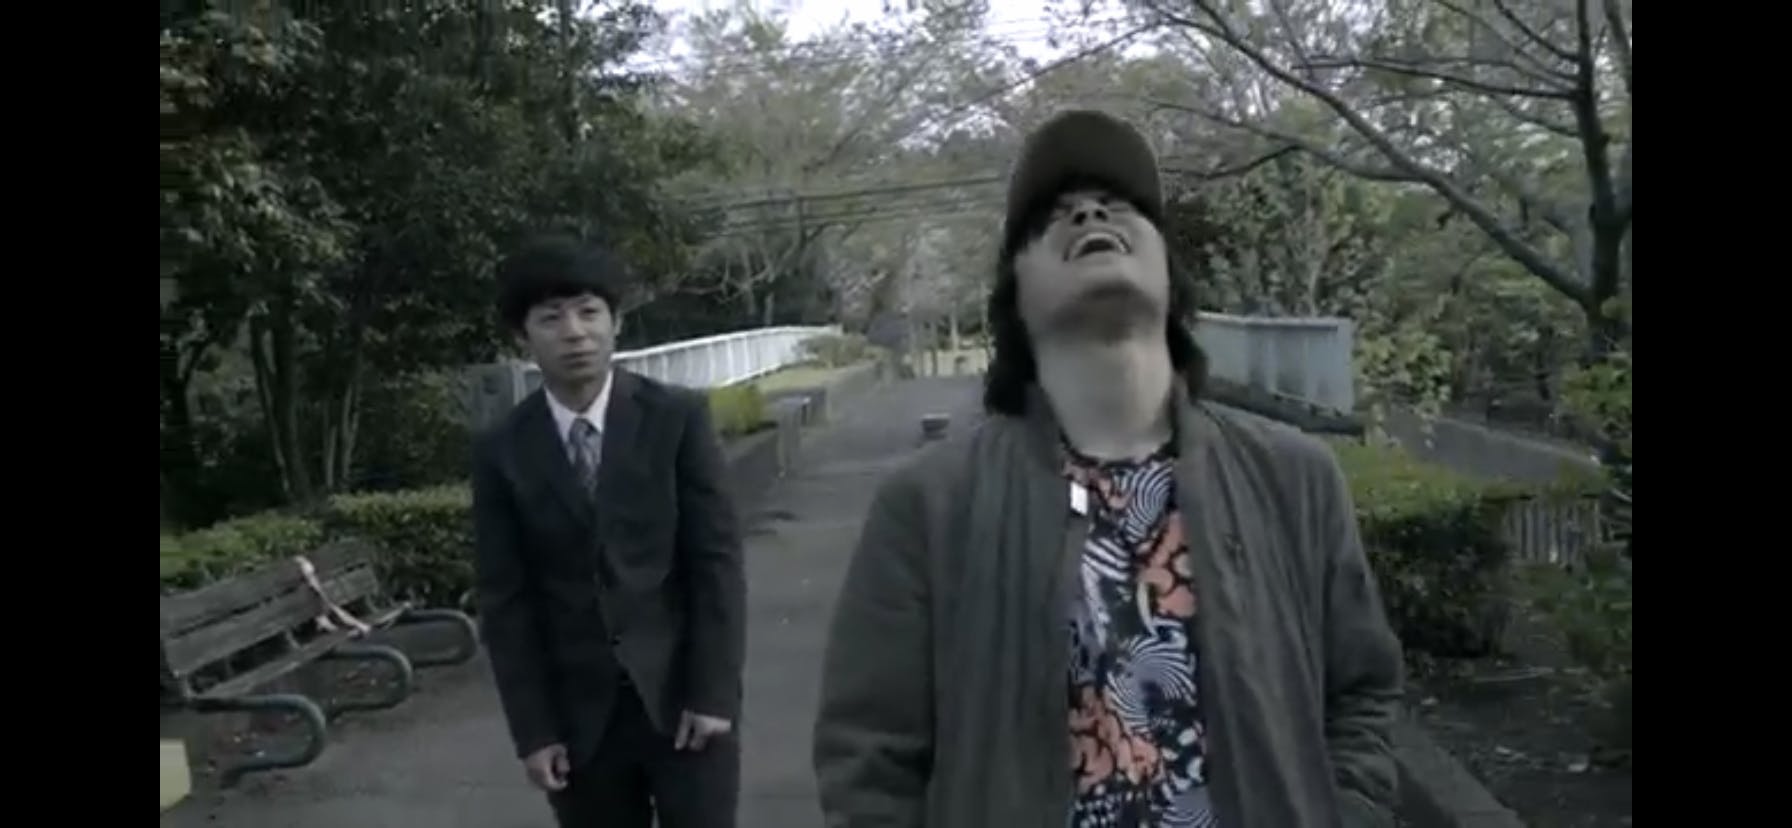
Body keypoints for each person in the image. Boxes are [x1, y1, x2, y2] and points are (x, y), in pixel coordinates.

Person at [811, 110, 1405, 827]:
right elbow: (868, 757)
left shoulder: (1295, 479)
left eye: (1118, 204)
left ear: (1169, 273)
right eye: (1052, 216)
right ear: (1014, 296)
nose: (1090, 214)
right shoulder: (930, 505)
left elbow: (1362, 696)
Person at [472, 235, 746, 828]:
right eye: (551, 318)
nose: (574, 332)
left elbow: (716, 562)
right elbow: (506, 601)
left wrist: (713, 695)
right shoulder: (501, 450)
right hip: (579, 724)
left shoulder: (676, 418)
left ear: (615, 323)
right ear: (523, 337)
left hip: (682, 702)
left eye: (589, 312)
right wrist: (534, 733)